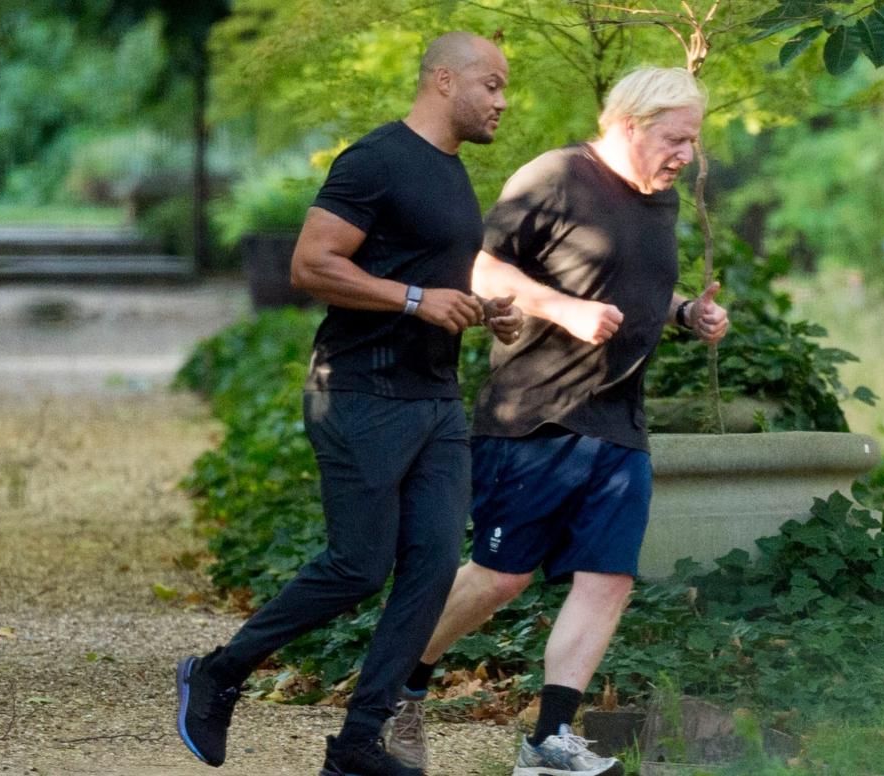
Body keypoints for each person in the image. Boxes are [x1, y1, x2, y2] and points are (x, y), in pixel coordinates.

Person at [174, 31, 521, 776]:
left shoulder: (451, 174)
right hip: (360, 393)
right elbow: (310, 265)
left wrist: (482, 309)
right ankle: (221, 670)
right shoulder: (376, 159)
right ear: (441, 81)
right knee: (359, 567)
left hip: (433, 399)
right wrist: (418, 299)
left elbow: (422, 279)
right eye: (490, 84)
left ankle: (359, 741)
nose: (502, 100)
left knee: (431, 570)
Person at [381, 67, 729, 776]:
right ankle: (396, 686)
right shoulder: (555, 177)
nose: (686, 156)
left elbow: (632, 290)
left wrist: (687, 314)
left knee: (607, 579)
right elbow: (478, 271)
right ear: (629, 124)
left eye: (693, 141)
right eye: (676, 138)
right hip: (536, 415)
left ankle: (548, 742)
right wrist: (560, 310)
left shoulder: (657, 202)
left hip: (619, 421)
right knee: (500, 576)